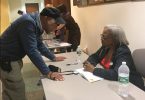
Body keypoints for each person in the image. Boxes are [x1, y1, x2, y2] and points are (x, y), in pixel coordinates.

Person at [0, 7, 66, 100]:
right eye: (56, 24)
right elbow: (32, 50)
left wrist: (53, 57)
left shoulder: (35, 23)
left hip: (12, 58)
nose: (56, 27)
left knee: (10, 91)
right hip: (6, 59)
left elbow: (39, 44)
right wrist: (48, 73)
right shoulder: (28, 22)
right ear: (46, 18)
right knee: (17, 90)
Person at [83, 25, 144, 90]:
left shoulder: (123, 51)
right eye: (101, 35)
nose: (101, 38)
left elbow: (117, 74)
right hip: (110, 82)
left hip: (130, 86)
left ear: (114, 38)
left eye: (104, 36)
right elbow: (94, 57)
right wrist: (89, 63)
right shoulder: (106, 47)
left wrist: (93, 70)